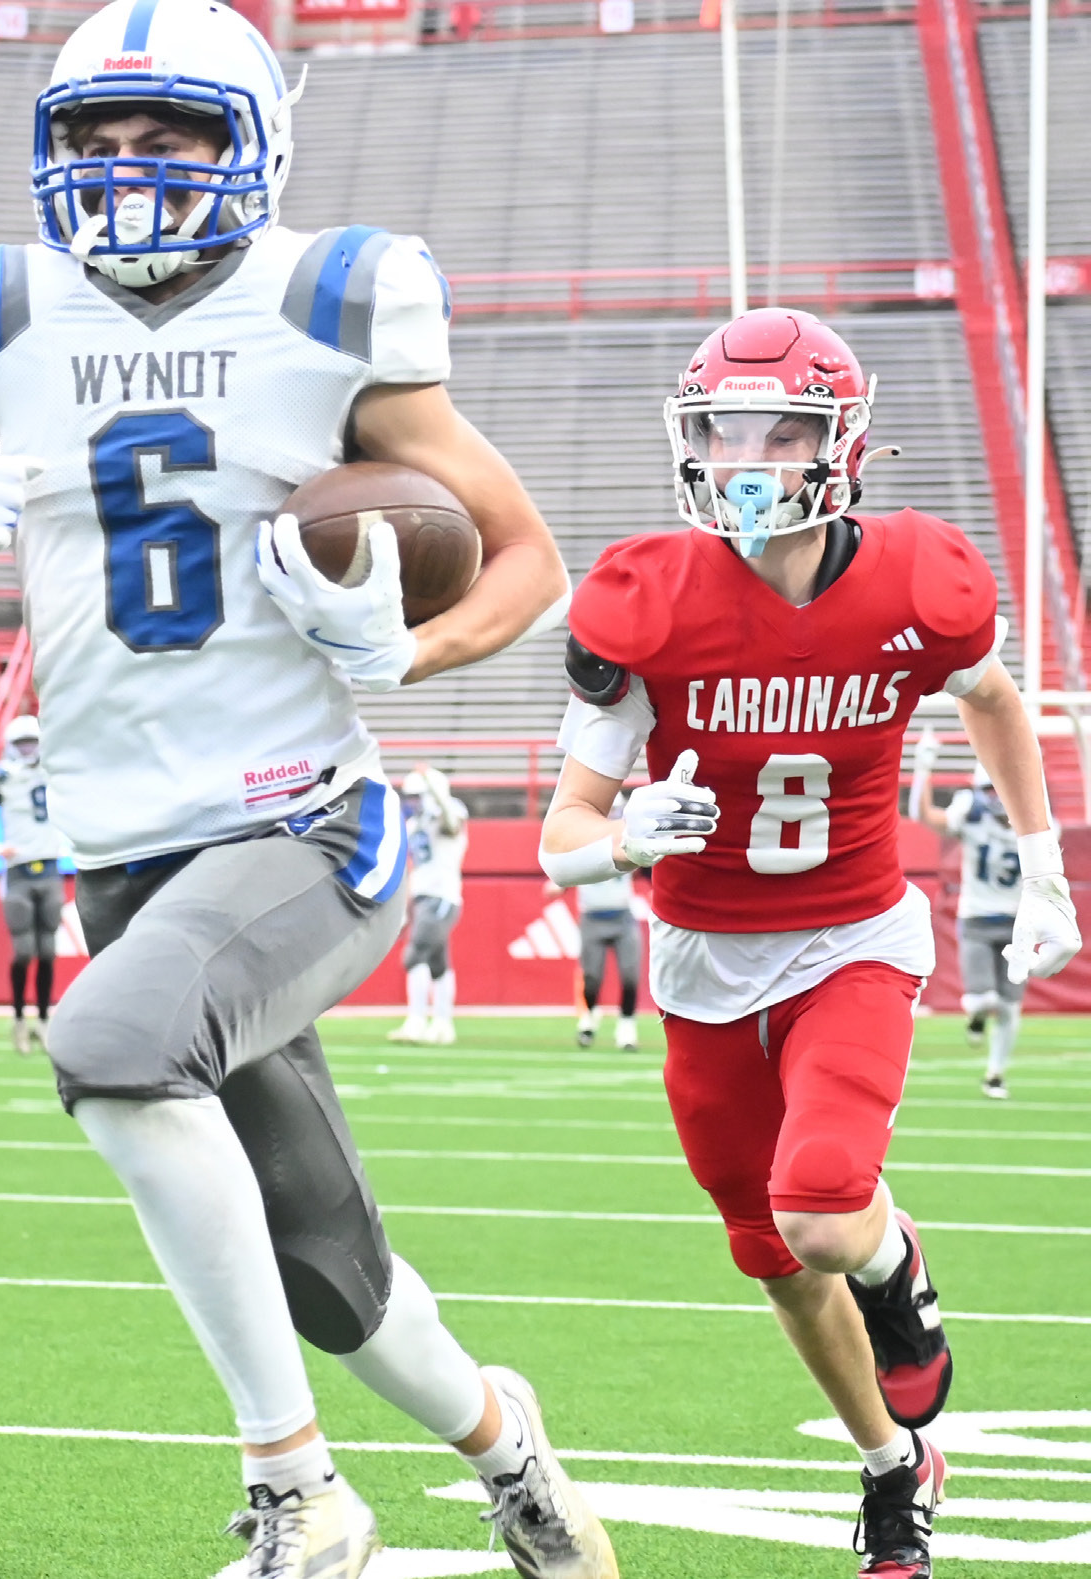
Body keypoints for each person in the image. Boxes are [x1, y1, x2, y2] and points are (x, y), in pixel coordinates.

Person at [0, 4, 614, 1577]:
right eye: (97, 137)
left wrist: (403, 652)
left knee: (115, 1048)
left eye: (171, 135)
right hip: (122, 854)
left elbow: (527, 556)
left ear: (253, 146)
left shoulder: (330, 300)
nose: (127, 167)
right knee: (331, 1273)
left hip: (302, 824)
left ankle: (301, 1493)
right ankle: (513, 1447)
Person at [539, 307, 1082, 1579]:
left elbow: (993, 700)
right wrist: (621, 837)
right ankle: (894, 1468)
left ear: (838, 442)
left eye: (778, 430)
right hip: (701, 957)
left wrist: (1043, 860)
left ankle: (898, 1277)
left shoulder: (917, 579)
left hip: (851, 936)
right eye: (721, 430)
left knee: (824, 1209)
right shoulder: (645, 598)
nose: (743, 458)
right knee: (773, 1255)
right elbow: (566, 826)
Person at [909, 732, 1025, 1097]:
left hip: (1018, 923)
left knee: (1010, 1006)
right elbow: (923, 815)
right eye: (990, 789)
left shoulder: (1035, 819)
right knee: (982, 1001)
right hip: (977, 918)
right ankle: (976, 1017)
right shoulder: (970, 814)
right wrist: (922, 768)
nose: (997, 798)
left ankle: (995, 1074)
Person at [0, 714, 68, 1055]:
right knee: (24, 952)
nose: (27, 750)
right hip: (19, 872)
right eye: (21, 743)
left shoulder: (55, 773)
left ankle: (44, 1020)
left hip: (50, 867)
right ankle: (19, 1019)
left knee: (48, 952)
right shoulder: (2, 778)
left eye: (31, 742)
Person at [388, 764, 468, 1046]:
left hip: (442, 896)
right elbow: (414, 868)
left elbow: (451, 823)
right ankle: (443, 1025)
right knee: (437, 963)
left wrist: (434, 788)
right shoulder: (414, 824)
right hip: (423, 896)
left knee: (414, 956)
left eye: (417, 796)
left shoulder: (447, 814)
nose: (412, 802)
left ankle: (417, 1021)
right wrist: (405, 910)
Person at [572, 795, 641, 1050]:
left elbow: (647, 865)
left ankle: (626, 1027)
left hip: (622, 915)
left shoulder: (629, 836)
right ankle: (590, 1017)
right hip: (592, 916)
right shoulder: (582, 837)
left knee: (630, 974)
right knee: (591, 976)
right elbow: (567, 866)